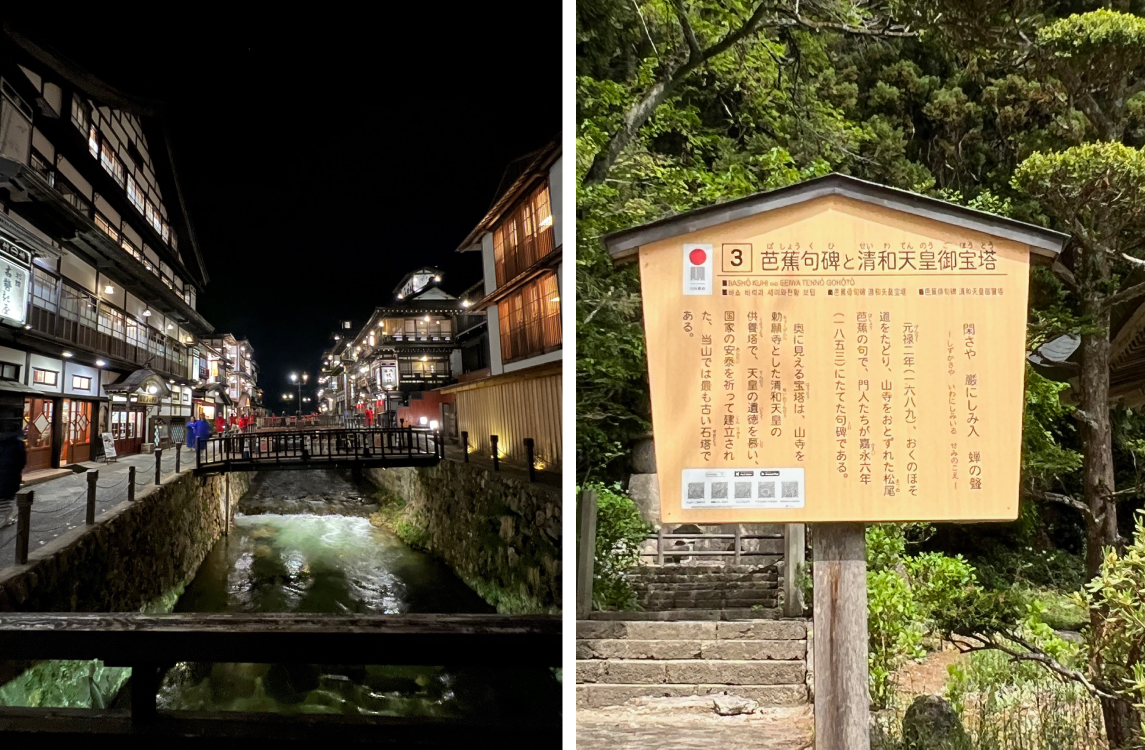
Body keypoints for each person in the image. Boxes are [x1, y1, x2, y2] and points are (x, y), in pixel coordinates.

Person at [0, 428, 26, 528]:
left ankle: (6, 519)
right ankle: (5, 519)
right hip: (10, 476)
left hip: (6, 476)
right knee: (7, 499)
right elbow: (22, 461)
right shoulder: (17, 443)